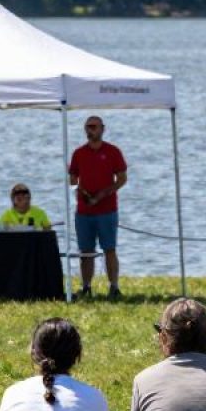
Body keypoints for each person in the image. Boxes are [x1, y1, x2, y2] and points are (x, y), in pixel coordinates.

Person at [68, 116, 128, 300]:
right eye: (87, 127)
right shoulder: (78, 153)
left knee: (109, 249)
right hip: (84, 211)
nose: (90, 130)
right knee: (85, 251)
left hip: (107, 210)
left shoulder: (113, 152)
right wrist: (81, 192)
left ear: (102, 129)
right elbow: (73, 179)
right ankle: (86, 286)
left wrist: (103, 194)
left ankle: (114, 287)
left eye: (94, 127)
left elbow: (122, 178)